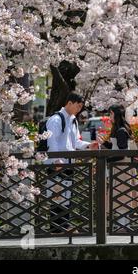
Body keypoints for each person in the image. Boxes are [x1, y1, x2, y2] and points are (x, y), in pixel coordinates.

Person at [45, 92, 99, 233]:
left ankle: (64, 226)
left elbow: (75, 142)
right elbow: (52, 141)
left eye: (81, 107)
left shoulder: (73, 119)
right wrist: (57, 160)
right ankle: (57, 228)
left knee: (66, 195)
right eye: (78, 105)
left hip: (69, 162)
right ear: (69, 103)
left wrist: (88, 145)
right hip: (57, 162)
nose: (79, 109)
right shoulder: (56, 119)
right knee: (57, 195)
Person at [98, 104, 138, 230]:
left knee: (121, 197)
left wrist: (106, 159)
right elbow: (118, 148)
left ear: (116, 114)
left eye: (111, 114)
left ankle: (123, 226)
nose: (109, 116)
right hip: (121, 167)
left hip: (121, 168)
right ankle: (122, 225)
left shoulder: (121, 130)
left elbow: (122, 153)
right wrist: (105, 143)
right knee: (121, 197)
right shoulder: (121, 129)